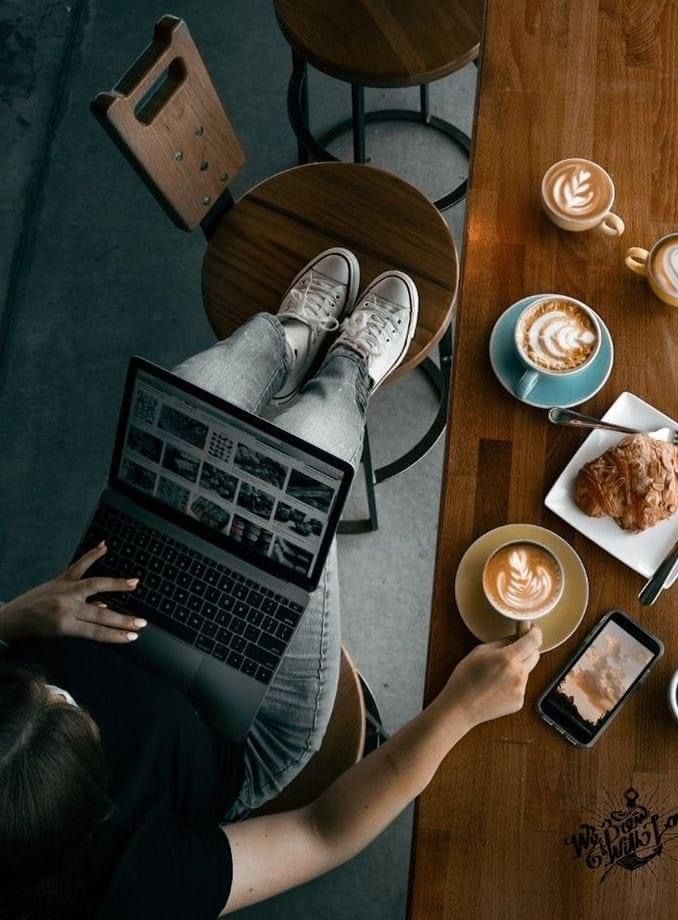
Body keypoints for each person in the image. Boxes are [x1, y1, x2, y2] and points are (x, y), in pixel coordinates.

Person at [0, 249, 543, 920]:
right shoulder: (135, 887)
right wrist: (459, 707)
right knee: (297, 465)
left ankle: (293, 337)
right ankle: (347, 371)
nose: (63, 689)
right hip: (234, 732)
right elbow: (323, 832)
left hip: (106, 616)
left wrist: (15, 618)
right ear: (94, 808)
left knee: (195, 395)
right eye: (71, 714)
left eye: (30, 687)